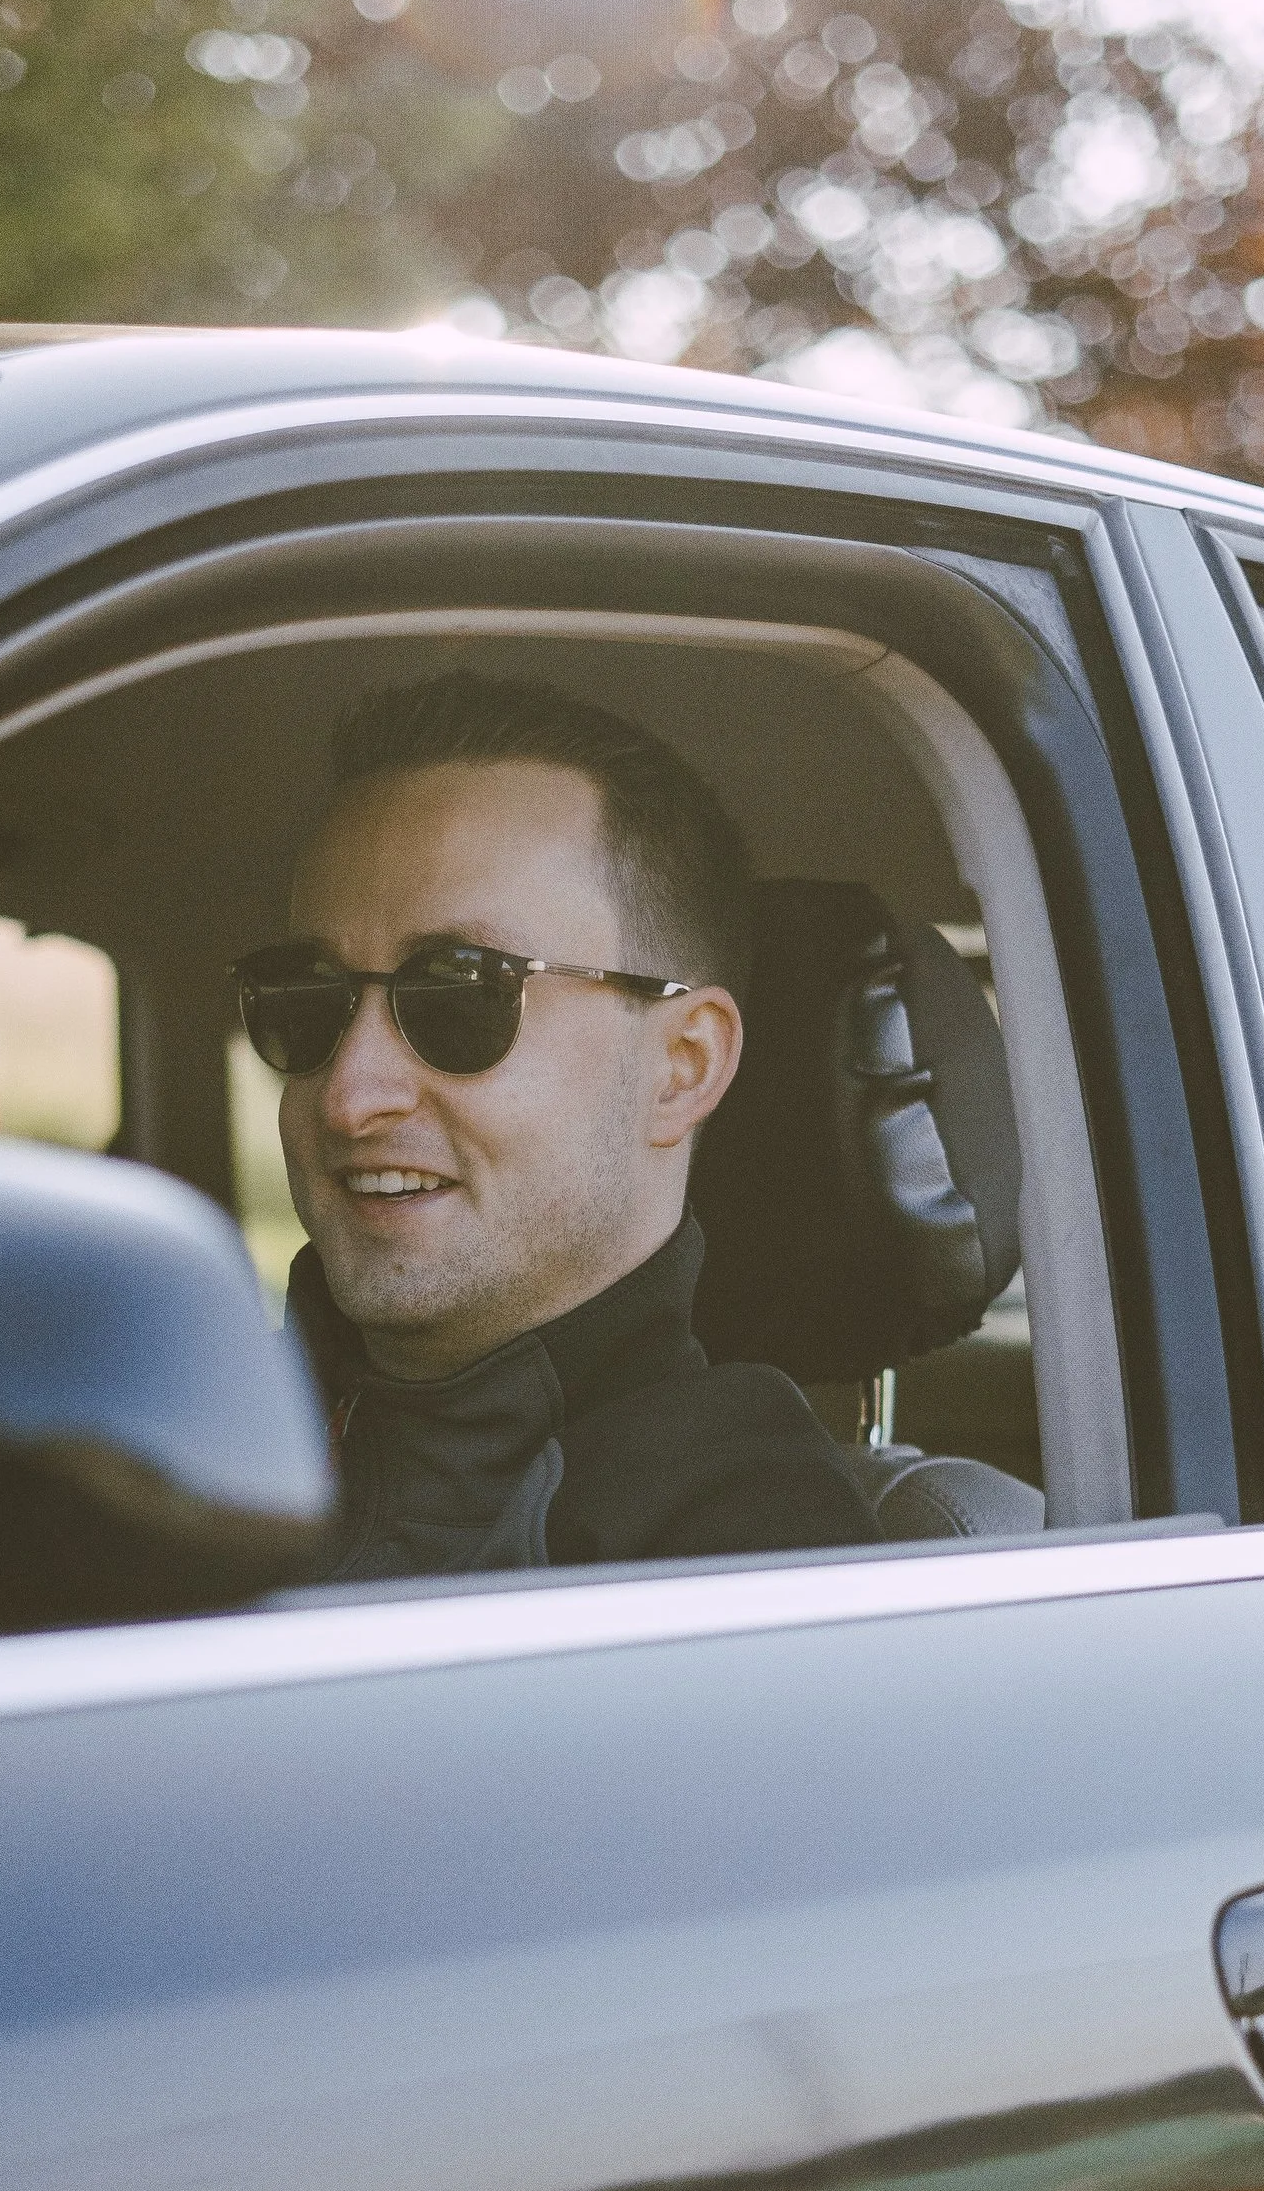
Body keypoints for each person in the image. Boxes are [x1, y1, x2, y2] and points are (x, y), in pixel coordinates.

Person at [234, 669, 882, 1580]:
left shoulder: (749, 1576)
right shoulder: (180, 1449)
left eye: (459, 995)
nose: (350, 1094)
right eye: (308, 1001)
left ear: (682, 1066)